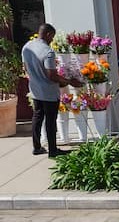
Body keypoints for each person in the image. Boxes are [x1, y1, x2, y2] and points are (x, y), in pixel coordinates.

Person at [21, 23, 83, 158]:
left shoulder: (27, 47)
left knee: (37, 118)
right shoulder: (48, 51)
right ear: (48, 34)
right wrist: (70, 81)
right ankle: (53, 150)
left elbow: (25, 69)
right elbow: (52, 75)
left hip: (35, 90)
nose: (52, 40)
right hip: (48, 92)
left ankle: (37, 147)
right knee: (50, 121)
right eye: (52, 37)